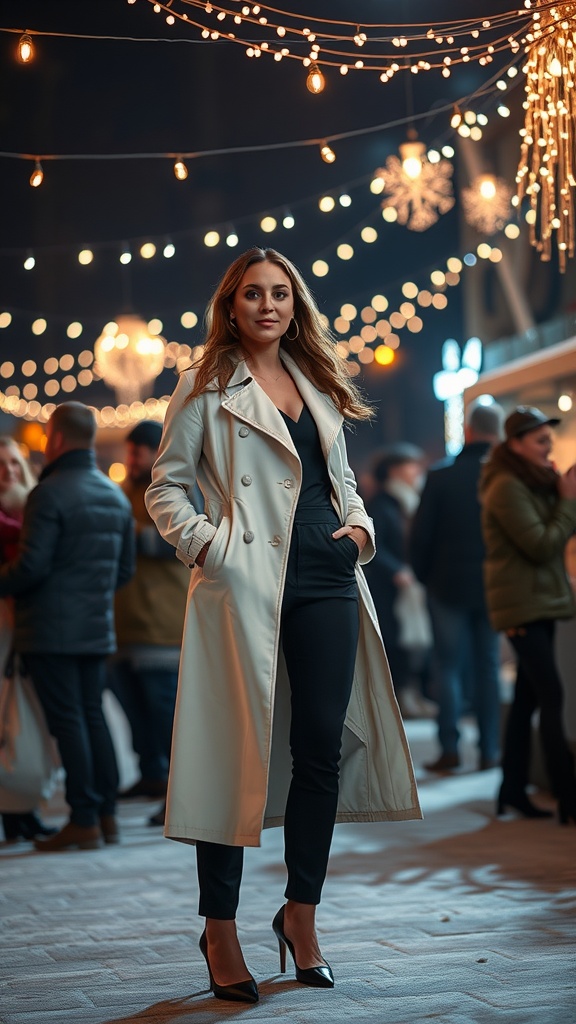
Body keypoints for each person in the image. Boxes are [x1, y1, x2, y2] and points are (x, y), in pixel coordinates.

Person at [145, 246, 421, 1003]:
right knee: (227, 753)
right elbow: (165, 486)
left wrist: (360, 533)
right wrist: (210, 546)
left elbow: (343, 485)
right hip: (244, 581)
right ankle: (220, 928)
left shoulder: (319, 381)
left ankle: (301, 917)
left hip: (328, 580)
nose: (268, 305)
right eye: (252, 295)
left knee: (320, 751)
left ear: (295, 304)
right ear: (230, 307)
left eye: (281, 293)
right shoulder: (203, 383)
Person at [0, 403, 135, 851]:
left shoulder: (50, 492)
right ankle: (107, 817)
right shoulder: (113, 495)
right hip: (96, 626)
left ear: (55, 439)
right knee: (92, 717)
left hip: (49, 629)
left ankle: (82, 819)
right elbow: (124, 570)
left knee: (69, 722)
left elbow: (32, 567)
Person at [480, 405, 576, 823]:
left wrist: (560, 493)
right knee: (552, 695)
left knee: (527, 698)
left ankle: (512, 790)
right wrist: (568, 502)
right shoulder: (506, 486)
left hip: (540, 600)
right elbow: (540, 544)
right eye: (539, 440)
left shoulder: (533, 482)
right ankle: (568, 798)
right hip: (523, 602)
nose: (547, 446)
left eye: (548, 439)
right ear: (515, 444)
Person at [410, 400, 505, 773]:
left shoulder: (440, 476)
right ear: (497, 435)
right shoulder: (504, 478)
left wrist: (424, 576)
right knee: (489, 667)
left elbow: (420, 536)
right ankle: (489, 751)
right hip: (495, 586)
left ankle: (449, 750)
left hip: (446, 584)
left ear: (467, 431)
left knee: (446, 666)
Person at [110, 420, 189, 828]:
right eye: (130, 451)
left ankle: (181, 795)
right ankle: (152, 776)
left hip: (162, 625)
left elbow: (174, 540)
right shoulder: (123, 492)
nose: (132, 458)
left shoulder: (176, 488)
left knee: (166, 718)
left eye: (139, 450)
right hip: (125, 624)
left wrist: (120, 531)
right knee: (137, 713)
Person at [0, 436, 57, 843]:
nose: (9, 472)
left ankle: (26, 808)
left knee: (31, 722)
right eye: (1, 466)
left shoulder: (34, 512)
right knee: (8, 723)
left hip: (32, 630)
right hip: (5, 632)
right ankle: (12, 811)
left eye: (15, 463)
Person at [363, 444, 435, 719]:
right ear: (394, 470)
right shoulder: (381, 503)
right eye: (411, 465)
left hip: (411, 584)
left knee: (415, 642)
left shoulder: (412, 500)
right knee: (393, 641)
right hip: (388, 586)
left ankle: (417, 694)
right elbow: (374, 544)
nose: (417, 471)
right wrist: (395, 570)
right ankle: (399, 698)